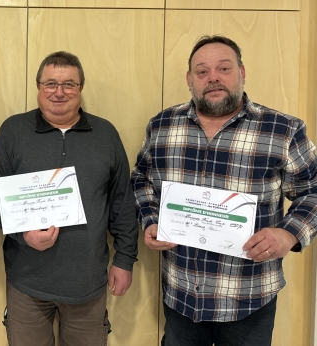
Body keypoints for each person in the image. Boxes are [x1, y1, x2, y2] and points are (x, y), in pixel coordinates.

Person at [131, 35, 317, 346]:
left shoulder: (283, 130)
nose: (213, 78)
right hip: (181, 296)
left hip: (249, 297)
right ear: (190, 80)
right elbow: (141, 180)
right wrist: (150, 220)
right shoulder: (161, 126)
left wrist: (289, 235)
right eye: (202, 71)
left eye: (224, 68)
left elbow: (312, 190)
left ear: (242, 73)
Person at [0, 51, 138, 346]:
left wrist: (125, 259)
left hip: (88, 283)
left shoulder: (105, 134)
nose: (59, 92)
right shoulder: (13, 130)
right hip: (27, 282)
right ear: (38, 87)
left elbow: (122, 200)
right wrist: (21, 233)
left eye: (69, 84)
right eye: (50, 83)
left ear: (81, 88)